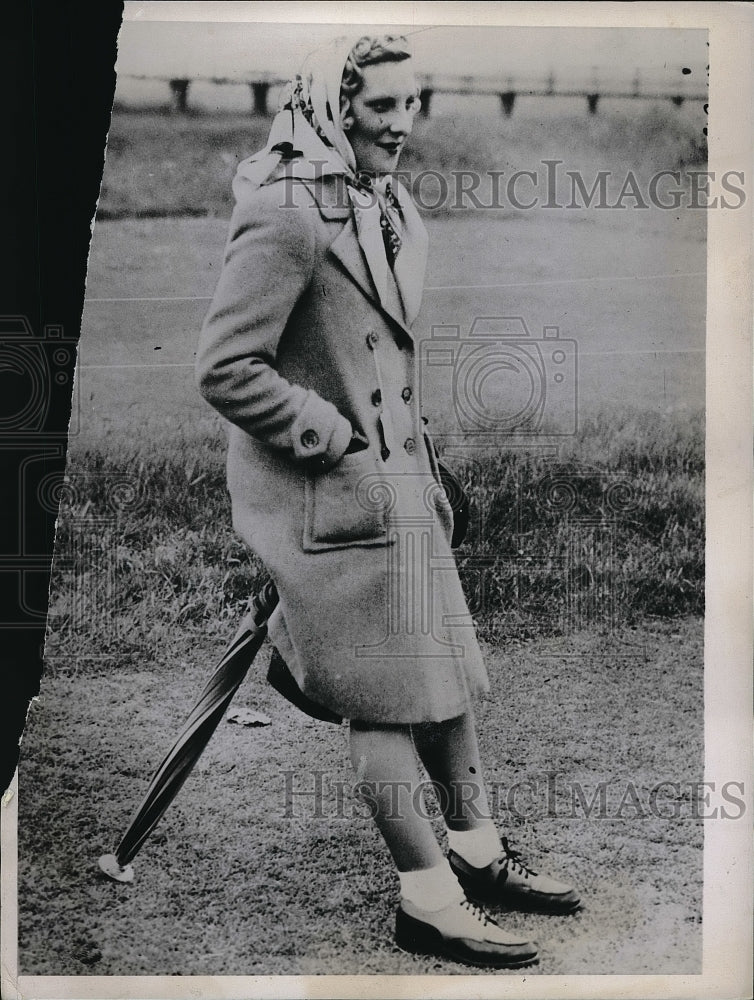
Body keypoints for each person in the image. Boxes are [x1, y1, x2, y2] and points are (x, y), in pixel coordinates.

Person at [196, 33, 579, 970]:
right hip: (324, 500)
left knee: (443, 676)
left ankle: (479, 855)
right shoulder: (286, 210)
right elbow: (224, 367)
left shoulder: (391, 203)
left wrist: (417, 468)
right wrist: (331, 438)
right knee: (386, 705)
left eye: (415, 105)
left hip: (398, 491)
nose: (402, 126)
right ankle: (428, 900)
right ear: (338, 104)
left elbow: (386, 360)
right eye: (382, 109)